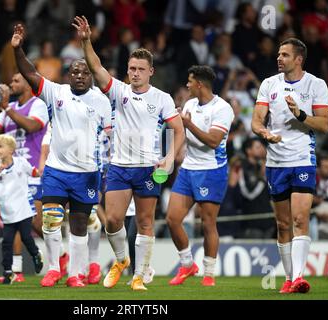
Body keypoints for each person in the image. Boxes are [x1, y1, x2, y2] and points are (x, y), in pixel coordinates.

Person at [73, 16, 185, 291]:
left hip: (148, 167)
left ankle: (138, 275)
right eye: (131, 68)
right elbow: (96, 67)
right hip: (120, 166)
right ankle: (121, 261)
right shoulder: (118, 91)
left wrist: (170, 158)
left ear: (151, 72)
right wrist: (87, 41)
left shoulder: (162, 98)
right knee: (112, 220)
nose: (134, 73)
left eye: (140, 69)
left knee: (145, 222)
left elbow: (178, 131)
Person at [12, 23, 112, 288]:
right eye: (74, 72)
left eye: (84, 72)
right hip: (57, 170)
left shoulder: (102, 101)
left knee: (80, 225)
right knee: (51, 220)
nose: (79, 76)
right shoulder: (56, 92)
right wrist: (18, 49)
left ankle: (75, 274)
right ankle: (54, 269)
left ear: (91, 76)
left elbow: (112, 135)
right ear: (68, 75)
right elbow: (30, 73)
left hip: (88, 172)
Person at [251, 38, 328, 294]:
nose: (279, 58)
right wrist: (264, 133)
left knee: (300, 218)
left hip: (302, 160)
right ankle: (288, 278)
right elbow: (256, 121)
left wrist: (300, 115)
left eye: (284, 55)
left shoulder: (315, 85)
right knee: (283, 225)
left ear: (299, 59)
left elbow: (325, 124)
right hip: (276, 162)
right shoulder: (268, 84)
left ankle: (298, 277)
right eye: (278, 54)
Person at [166, 65, 234, 287]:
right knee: (173, 219)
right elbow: (182, 135)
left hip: (211, 170)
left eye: (189, 81)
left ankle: (209, 274)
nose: (187, 85)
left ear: (200, 84)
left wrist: (188, 124)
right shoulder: (190, 104)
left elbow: (213, 141)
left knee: (207, 223)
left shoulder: (223, 108)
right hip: (188, 169)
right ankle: (187, 264)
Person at [0, 73, 49, 283]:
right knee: (13, 220)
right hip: (12, 173)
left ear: (27, 84)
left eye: (16, 80)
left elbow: (32, 126)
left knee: (35, 222)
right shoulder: (7, 109)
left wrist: (6, 108)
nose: (11, 84)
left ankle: (60, 255)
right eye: (10, 80)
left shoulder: (37, 104)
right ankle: (16, 271)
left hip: (31, 170)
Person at [0, 134, 43, 284]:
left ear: (11, 150)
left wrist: (41, 171)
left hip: (23, 208)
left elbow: (33, 172)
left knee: (26, 237)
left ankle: (35, 255)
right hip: (7, 212)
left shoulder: (21, 162)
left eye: (1, 146)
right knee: (7, 242)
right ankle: (8, 272)